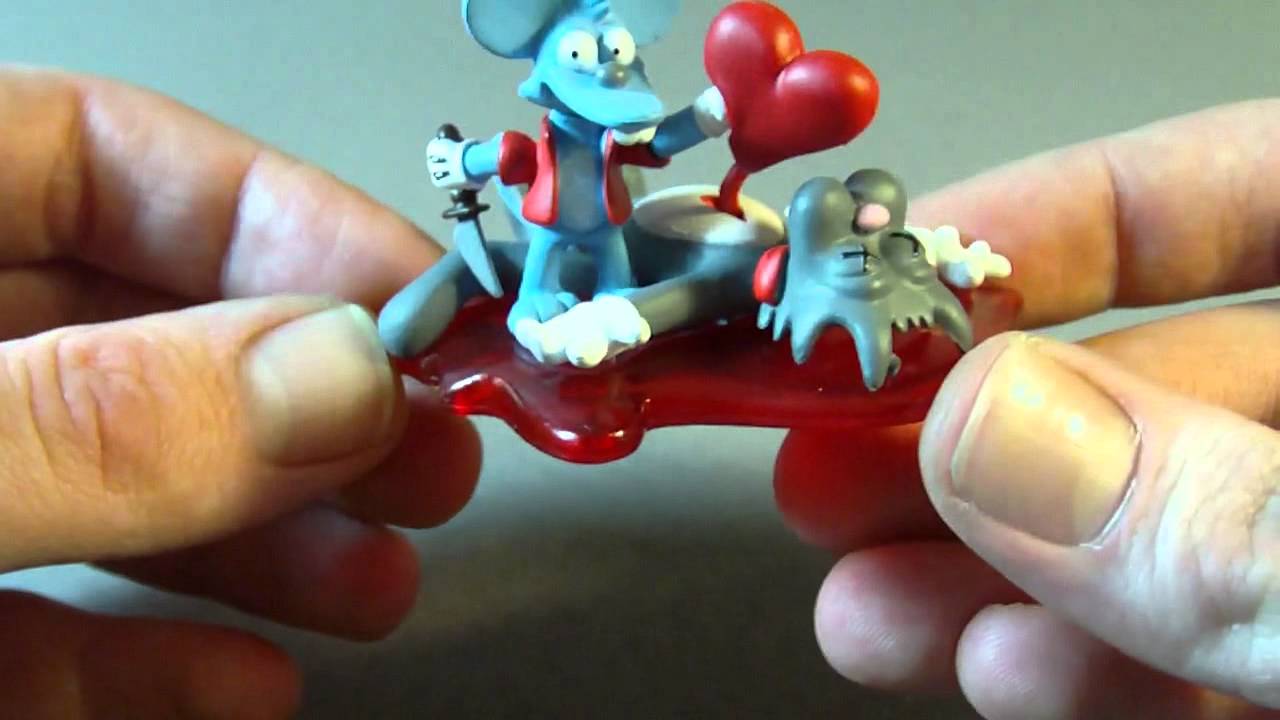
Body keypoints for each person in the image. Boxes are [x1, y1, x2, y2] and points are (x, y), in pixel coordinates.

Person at [0, 67, 1275, 719]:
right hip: (562, 282)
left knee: (691, 289)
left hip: (650, 272)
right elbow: (493, 177)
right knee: (495, 291)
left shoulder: (650, 164)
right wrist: (466, 185)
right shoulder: (543, 150)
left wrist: (726, 108)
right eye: (599, 54)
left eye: (620, 51)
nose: (616, 68)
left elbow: (677, 146)